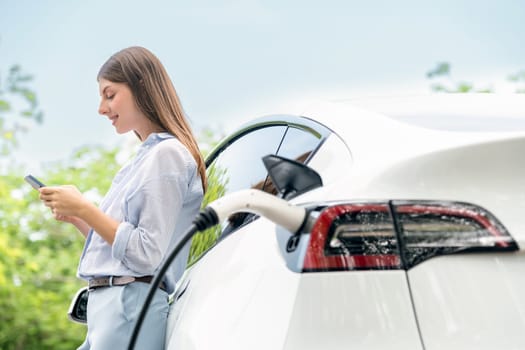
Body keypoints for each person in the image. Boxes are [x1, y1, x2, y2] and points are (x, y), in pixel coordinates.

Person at [39, 46, 207, 349]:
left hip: (129, 305)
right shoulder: (141, 161)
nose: (101, 108)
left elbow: (146, 253)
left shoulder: (167, 155)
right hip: (110, 308)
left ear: (141, 86)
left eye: (110, 94)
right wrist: (79, 217)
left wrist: (86, 209)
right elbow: (123, 250)